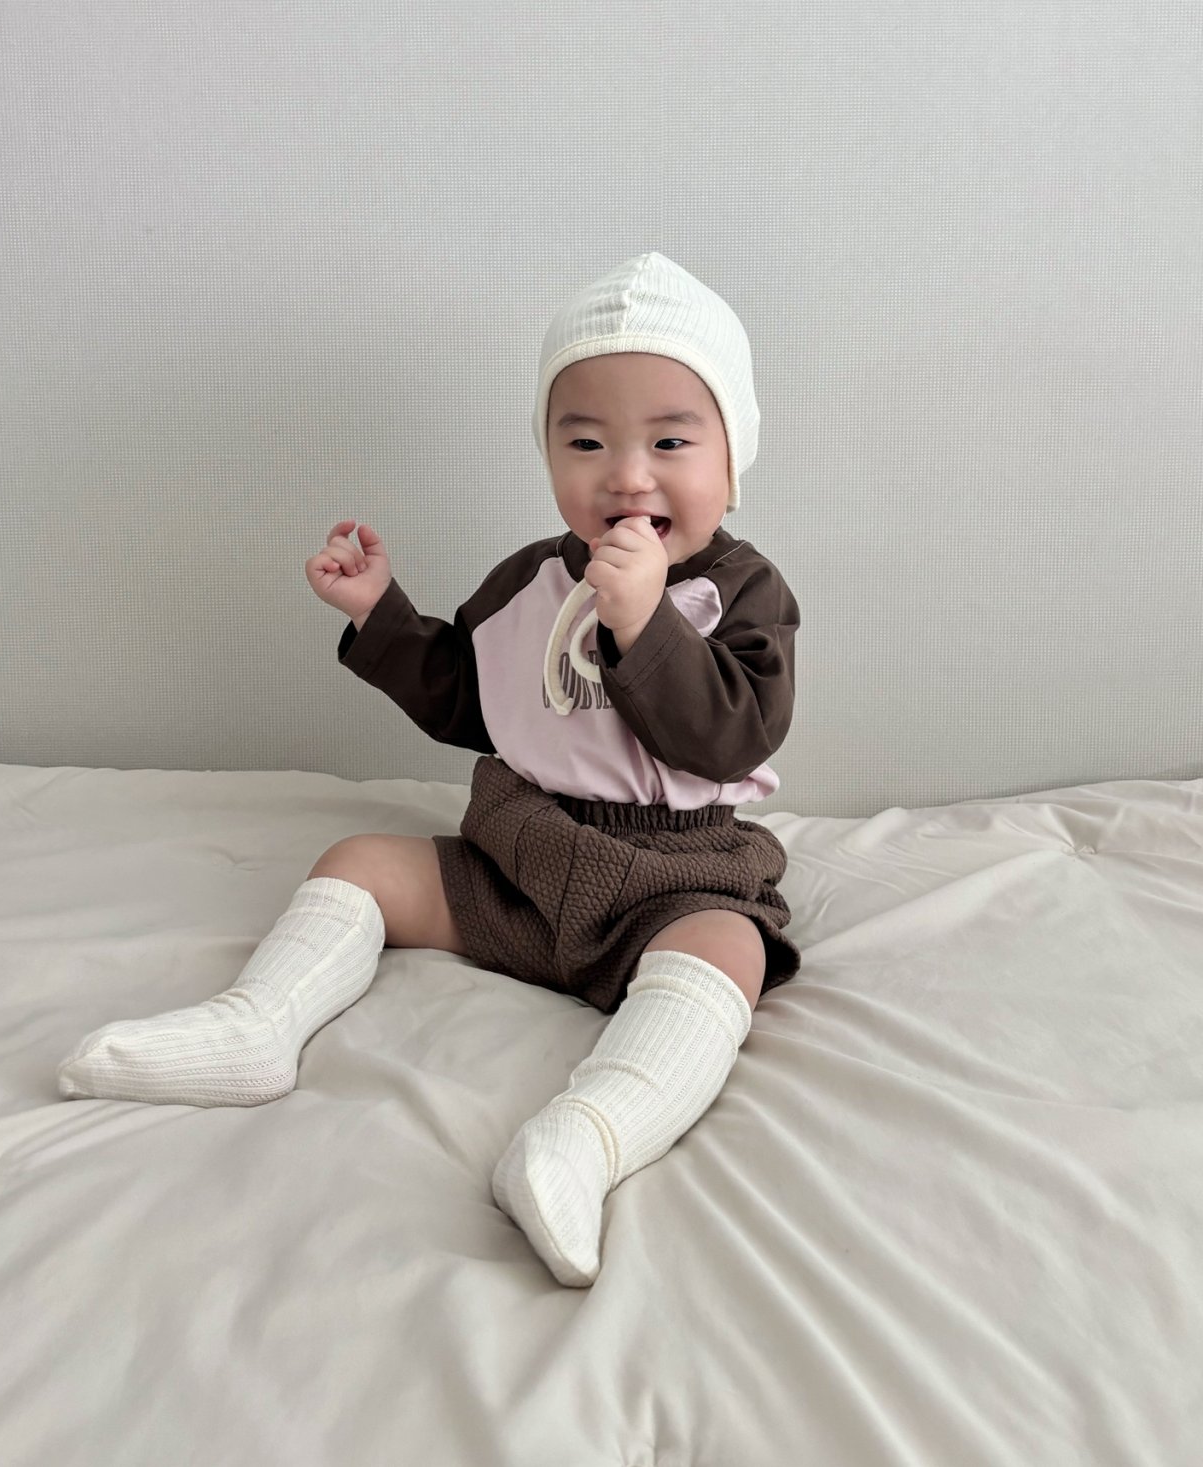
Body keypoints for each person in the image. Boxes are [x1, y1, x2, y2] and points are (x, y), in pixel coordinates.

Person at [58, 251, 802, 1288]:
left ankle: (584, 1137)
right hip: (522, 860)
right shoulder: (532, 580)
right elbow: (468, 696)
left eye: (670, 441)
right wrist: (382, 614)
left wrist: (642, 623)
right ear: (549, 455)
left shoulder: (743, 592)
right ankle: (256, 1026)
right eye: (586, 441)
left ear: (731, 455)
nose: (628, 476)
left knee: (730, 951)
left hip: (670, 879)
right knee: (362, 858)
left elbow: (736, 734)